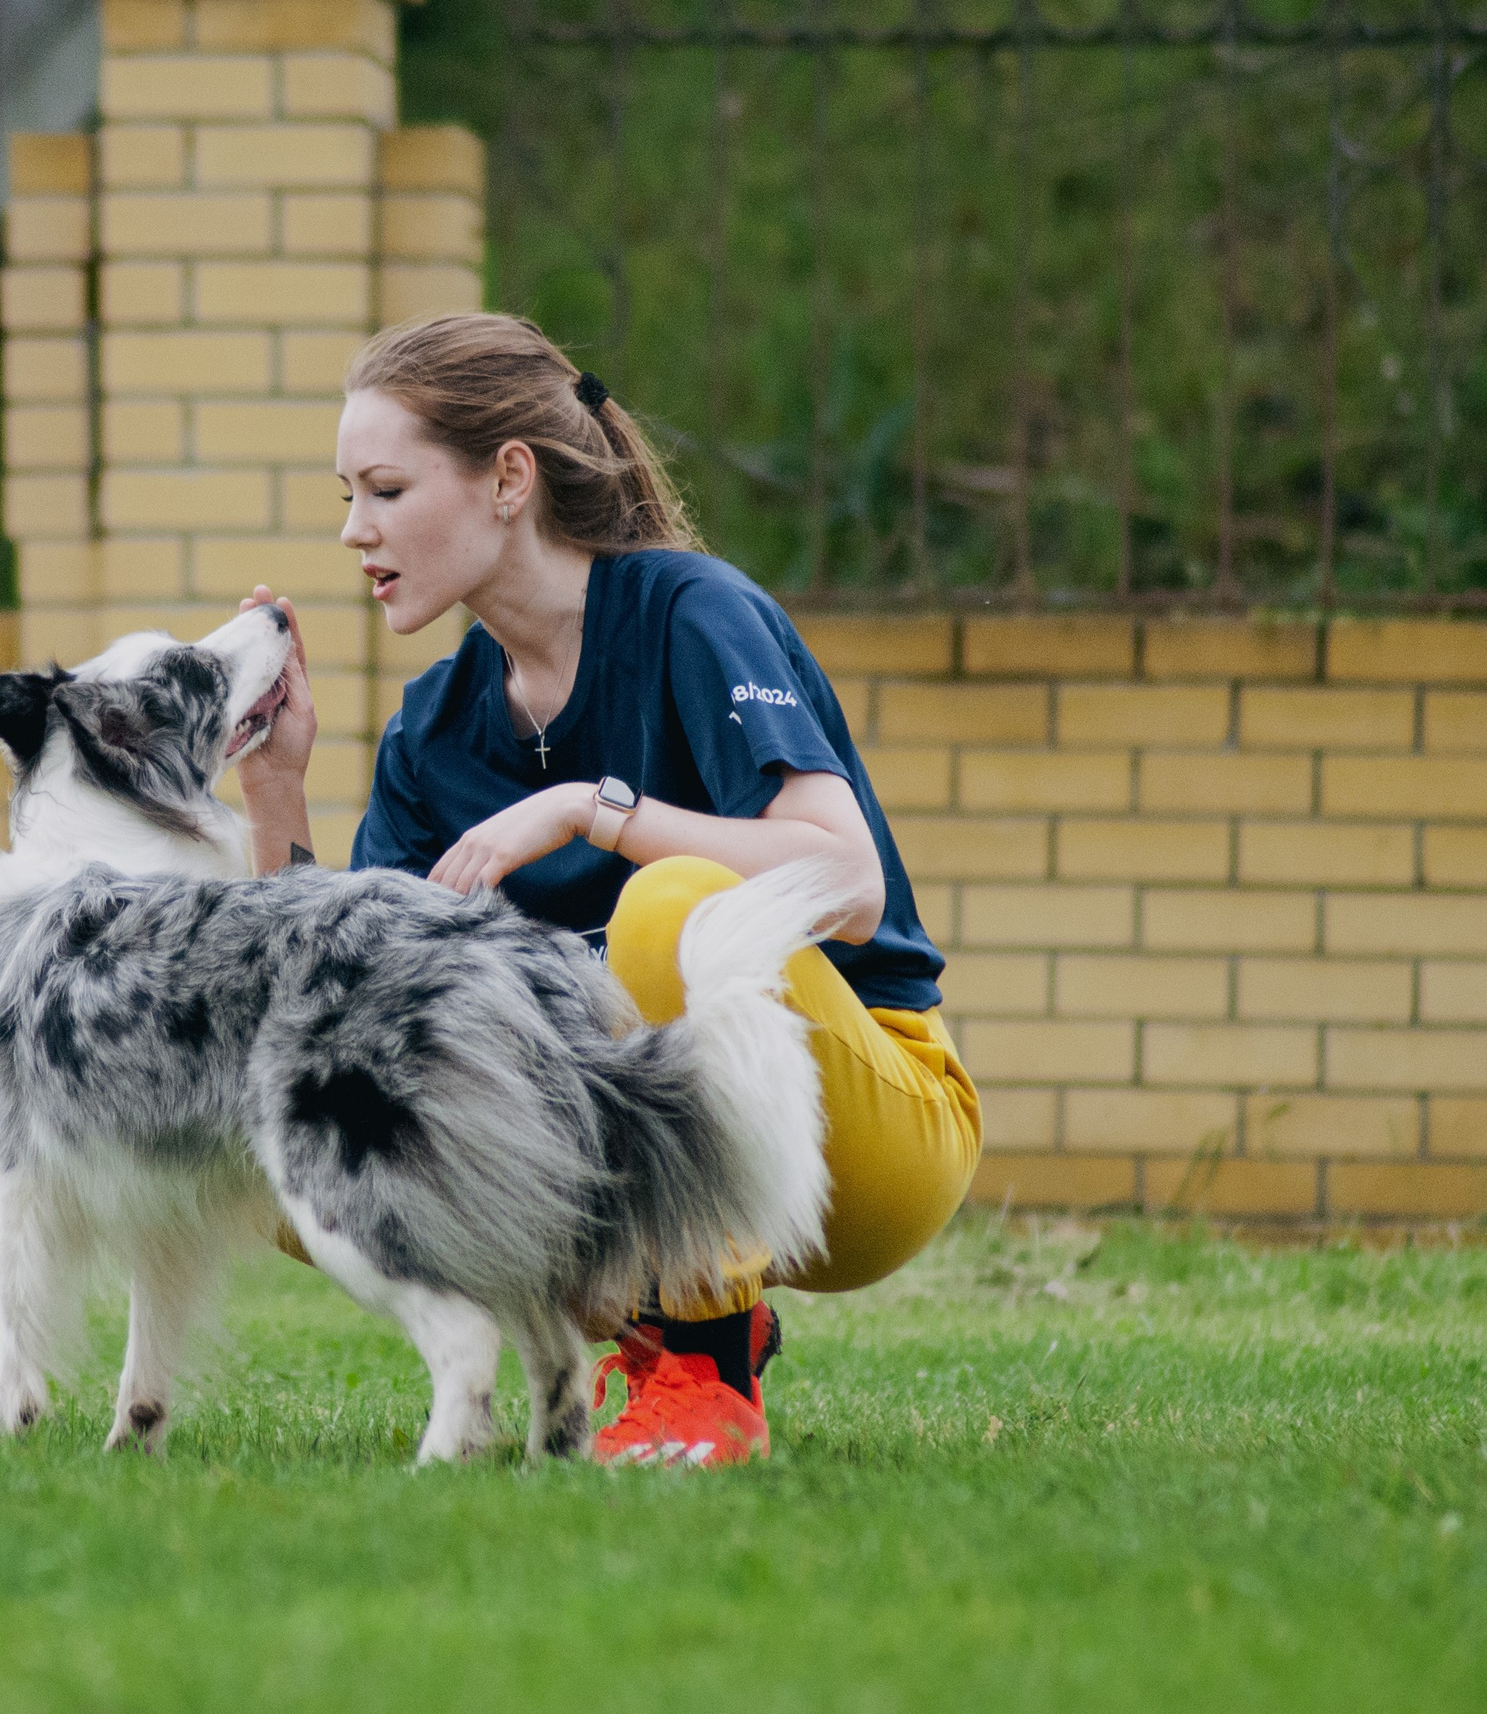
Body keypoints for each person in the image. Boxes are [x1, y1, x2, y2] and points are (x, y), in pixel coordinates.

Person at [231, 311, 982, 1467]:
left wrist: (595, 809)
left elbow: (848, 885)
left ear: (507, 480)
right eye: (346, 495)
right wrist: (274, 789)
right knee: (302, 1134)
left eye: (383, 489)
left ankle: (706, 1373)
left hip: (860, 1132)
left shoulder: (690, 613)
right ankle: (660, 1312)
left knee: (671, 911)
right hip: (657, 1151)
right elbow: (344, 1001)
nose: (352, 530)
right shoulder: (430, 729)